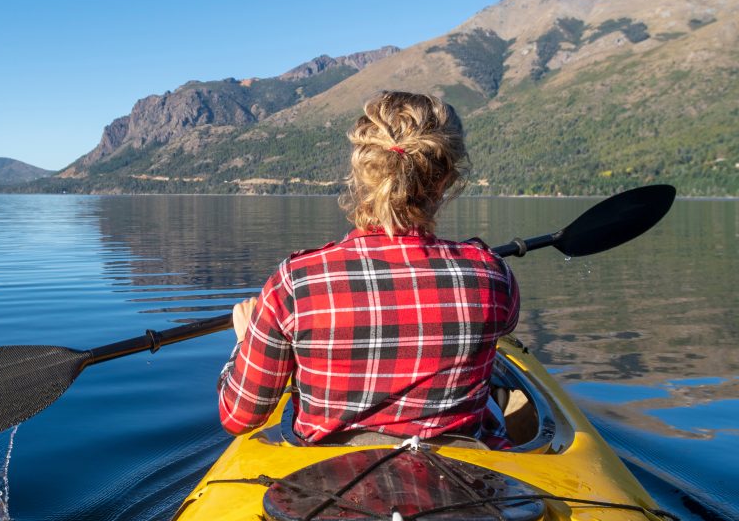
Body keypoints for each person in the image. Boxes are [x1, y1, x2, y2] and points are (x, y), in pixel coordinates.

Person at [218, 90, 520, 447]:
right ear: (446, 179)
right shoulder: (491, 276)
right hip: (461, 483)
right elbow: (506, 322)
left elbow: (239, 417)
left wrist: (244, 342)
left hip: (326, 490)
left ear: (363, 172)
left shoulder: (297, 283)